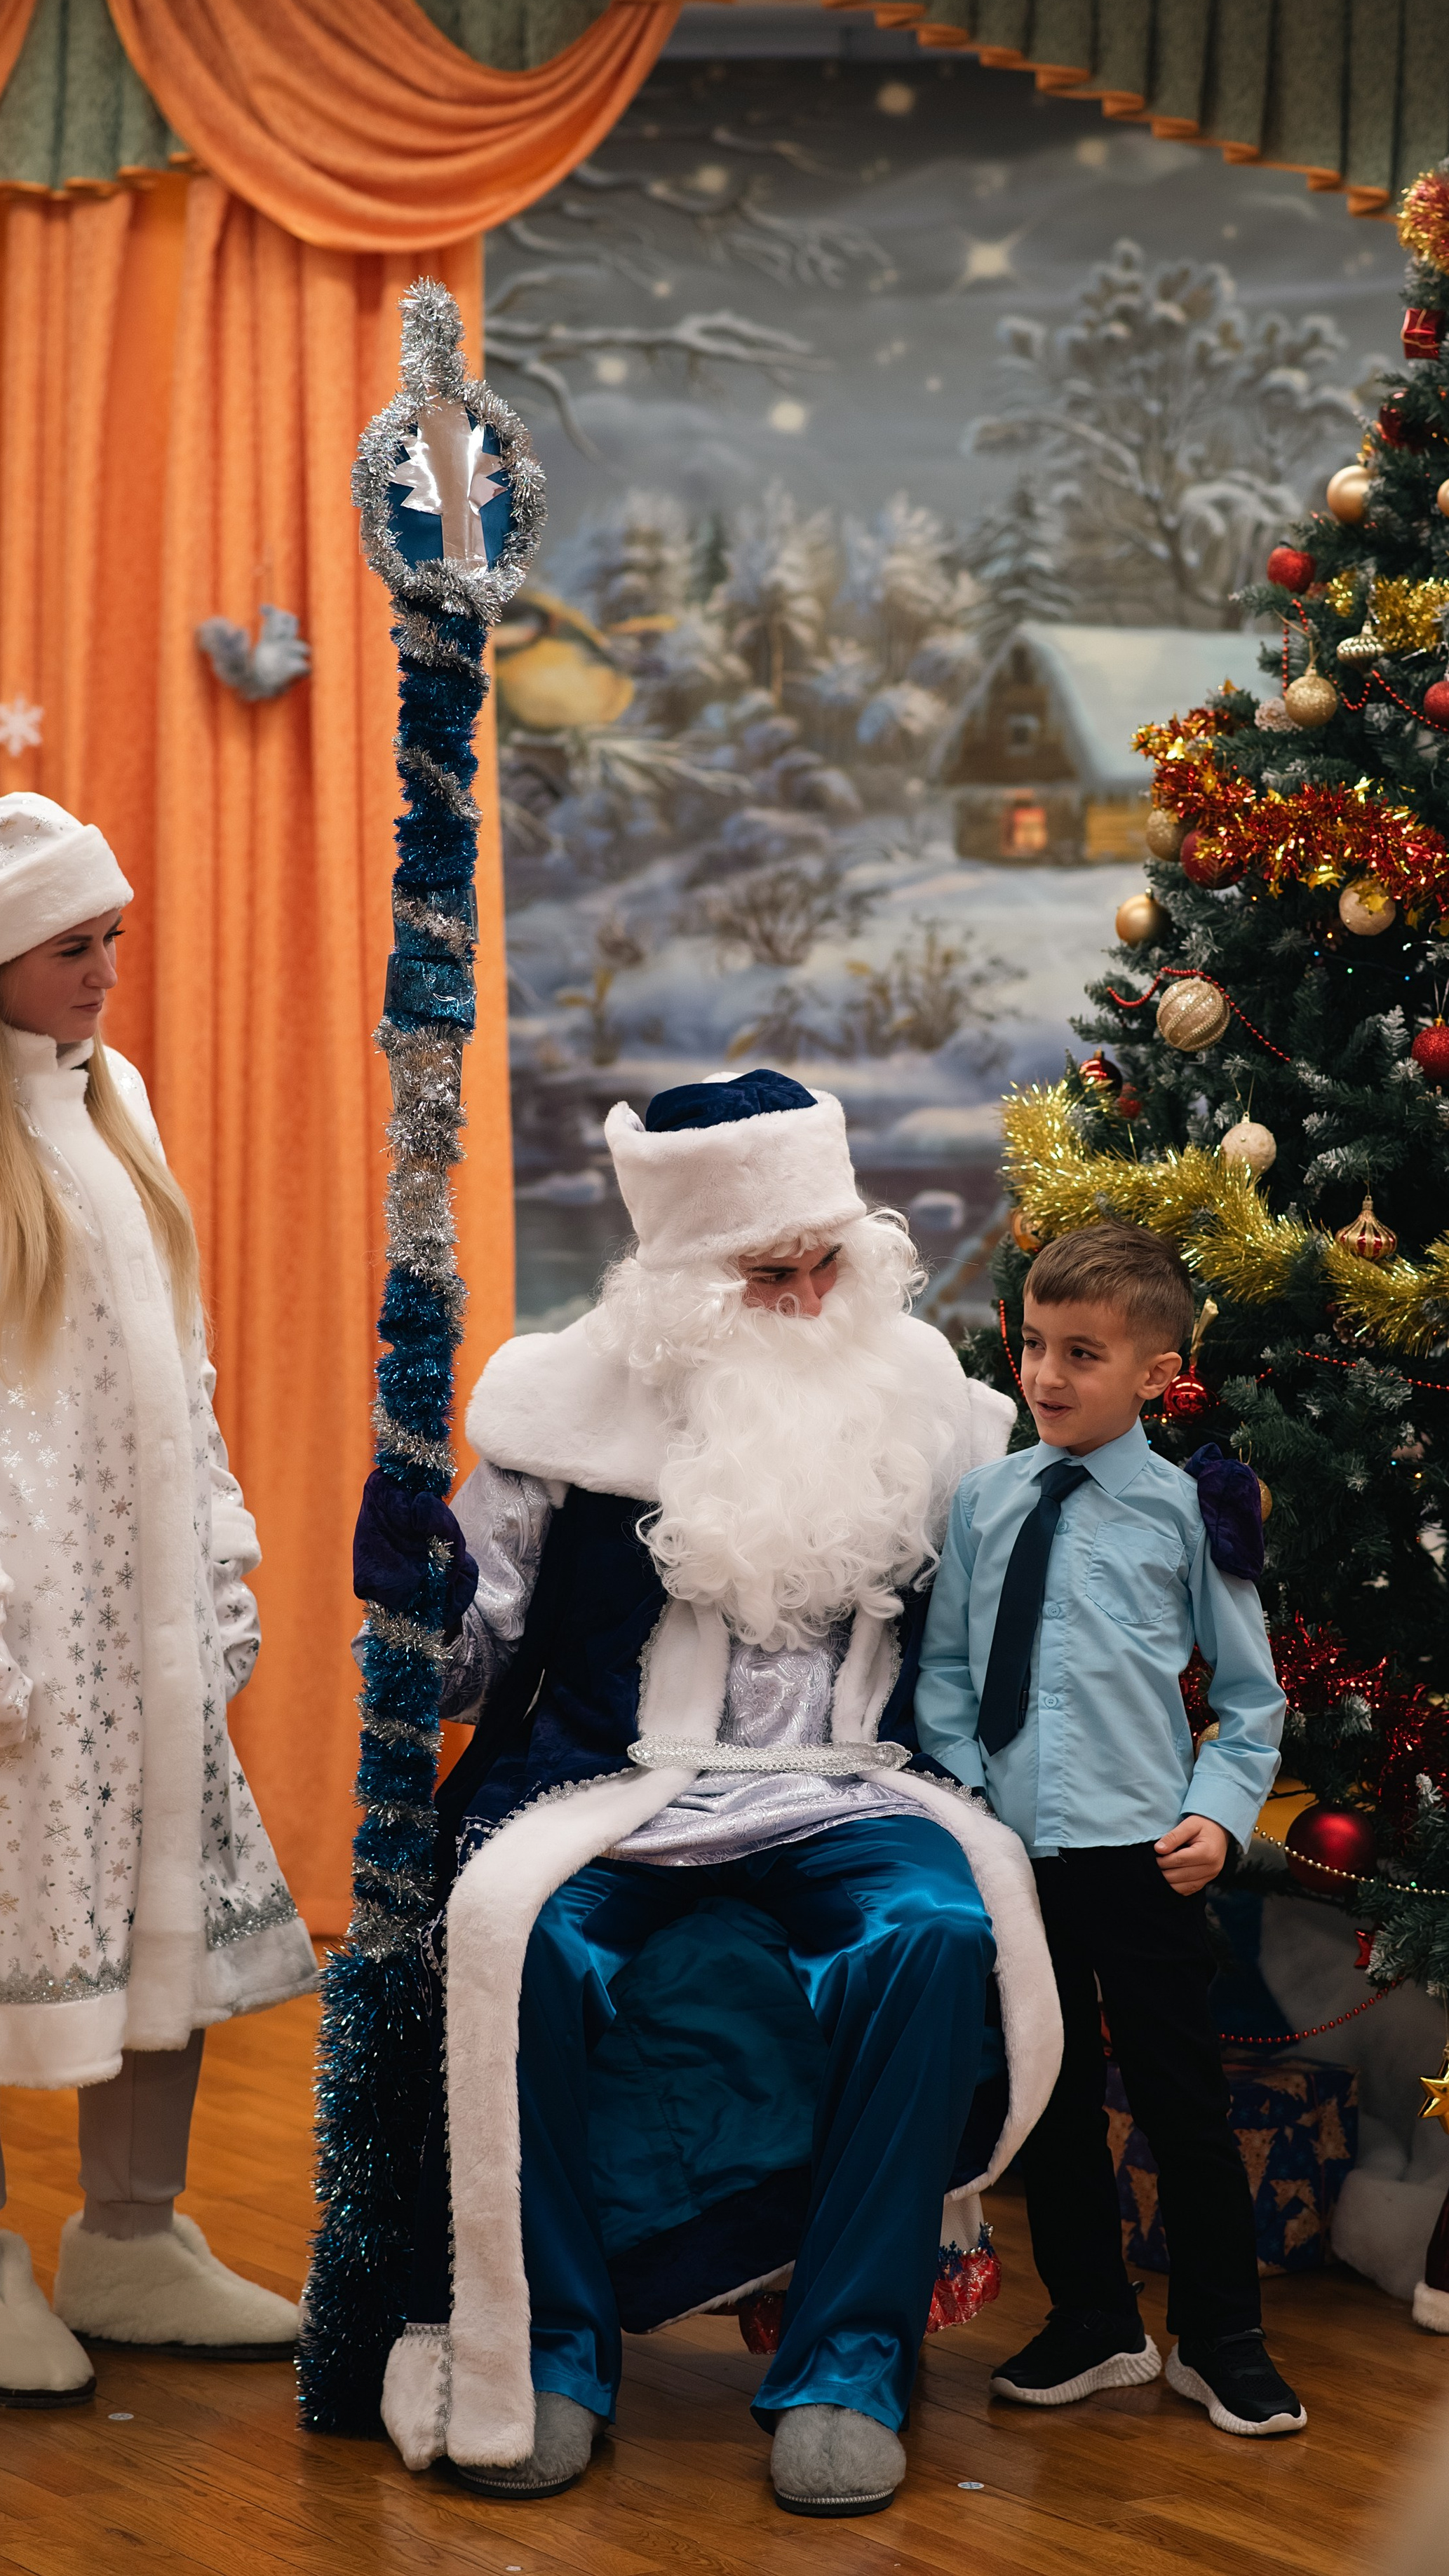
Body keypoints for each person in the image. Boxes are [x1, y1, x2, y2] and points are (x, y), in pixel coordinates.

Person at [355, 1071, 1062, 2516]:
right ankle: (550, 2349)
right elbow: (463, 1673)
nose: (806, 1292)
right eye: (767, 1270)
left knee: (931, 1938)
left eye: (824, 1258)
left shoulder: (931, 1406)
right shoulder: (560, 1414)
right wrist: (414, 1593)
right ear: (680, 1278)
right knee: (522, 1943)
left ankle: (846, 2362)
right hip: (621, 1791)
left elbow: (1018, 1607)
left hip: (854, 1793)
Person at [0, 793, 319, 2404]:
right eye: (72, 946)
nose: (104, 972)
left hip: (128, 1611)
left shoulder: (110, 1097)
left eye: (112, 940)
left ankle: (133, 2236)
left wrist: (216, 1545)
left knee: (158, 1904)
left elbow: (183, 1350)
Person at [916, 1219, 1302, 2436]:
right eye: (1033, 1344)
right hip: (1017, 1859)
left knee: (1182, 2100)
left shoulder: (1195, 1511)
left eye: (1081, 1353)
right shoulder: (985, 1503)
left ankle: (1220, 2335)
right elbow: (943, 1675)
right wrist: (972, 1806)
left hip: (1145, 1860)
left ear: (1154, 1372)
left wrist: (1220, 1818)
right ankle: (1095, 2317)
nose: (1044, 1376)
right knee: (1055, 2099)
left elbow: (1250, 1702)